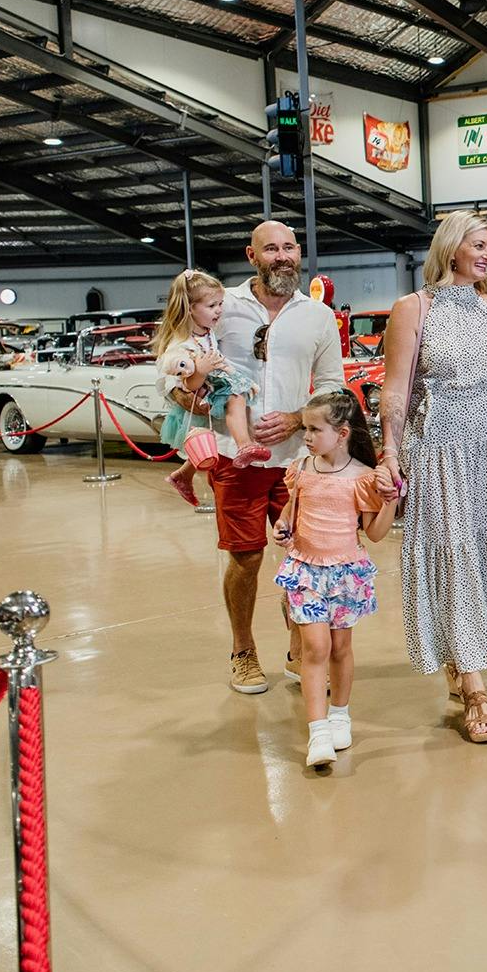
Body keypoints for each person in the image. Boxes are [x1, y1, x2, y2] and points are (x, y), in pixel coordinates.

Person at [379, 211, 487, 744]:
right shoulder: (412, 308)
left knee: (484, 551)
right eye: (479, 244)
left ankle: (461, 653)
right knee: (452, 555)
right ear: (450, 248)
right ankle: (474, 688)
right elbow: (395, 389)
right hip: (438, 444)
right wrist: (390, 450)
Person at [178, 223, 343, 695]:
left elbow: (332, 382)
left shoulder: (317, 316)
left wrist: (298, 418)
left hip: (299, 460)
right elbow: (179, 359)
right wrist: (186, 389)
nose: (283, 256)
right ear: (252, 255)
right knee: (246, 558)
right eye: (271, 249)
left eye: (290, 247)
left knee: (305, 558)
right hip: (237, 459)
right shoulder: (221, 305)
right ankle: (243, 652)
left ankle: (300, 651)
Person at [274, 390, 396, 768]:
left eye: (314, 429)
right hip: (306, 570)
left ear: (342, 433)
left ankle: (340, 714)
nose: (306, 436)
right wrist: (282, 526)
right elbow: (288, 514)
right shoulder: (301, 470)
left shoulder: (361, 478)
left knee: (341, 649)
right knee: (315, 649)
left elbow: (374, 533)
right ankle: (318, 731)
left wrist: (390, 499)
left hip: (344, 573)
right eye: (306, 429)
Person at [153, 270, 270, 506]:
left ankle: (183, 475)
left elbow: (219, 360)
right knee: (235, 399)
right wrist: (202, 370)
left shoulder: (206, 333)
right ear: (190, 308)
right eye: (211, 305)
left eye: (220, 304)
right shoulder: (182, 344)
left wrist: (241, 378)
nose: (219, 310)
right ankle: (244, 444)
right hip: (200, 390)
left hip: (211, 384)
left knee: (209, 440)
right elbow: (188, 383)